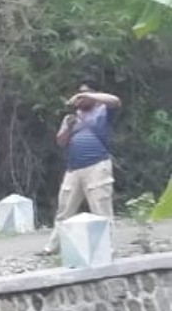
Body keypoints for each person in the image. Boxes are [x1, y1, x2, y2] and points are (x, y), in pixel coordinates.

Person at [40, 82, 122, 255]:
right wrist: (67, 127)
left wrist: (88, 95)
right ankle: (53, 247)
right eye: (79, 95)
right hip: (74, 168)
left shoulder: (103, 111)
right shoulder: (71, 118)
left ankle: (107, 247)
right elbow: (61, 141)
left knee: (101, 208)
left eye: (85, 94)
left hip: (97, 165)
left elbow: (115, 101)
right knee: (64, 209)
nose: (81, 98)